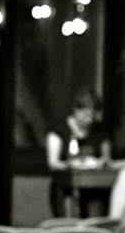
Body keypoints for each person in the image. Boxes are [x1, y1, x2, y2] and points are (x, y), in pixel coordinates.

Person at [46, 88, 109, 218]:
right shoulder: (59, 129)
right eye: (85, 113)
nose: (89, 119)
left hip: (94, 188)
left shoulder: (100, 131)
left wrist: (101, 163)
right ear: (76, 110)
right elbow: (53, 163)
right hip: (66, 187)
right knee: (68, 225)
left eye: (92, 114)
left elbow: (107, 159)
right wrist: (70, 165)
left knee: (95, 224)